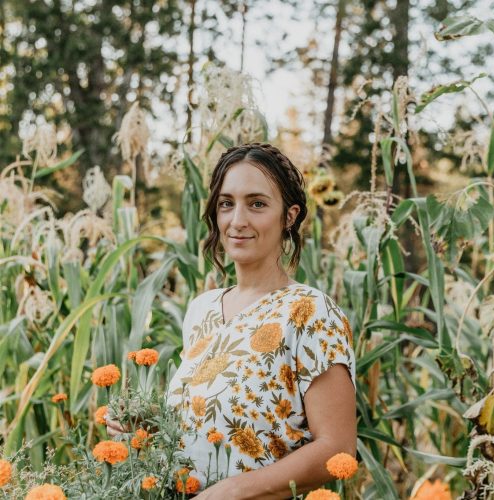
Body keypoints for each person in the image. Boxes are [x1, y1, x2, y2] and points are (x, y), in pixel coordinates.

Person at [109, 143, 356, 498]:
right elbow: (212, 423)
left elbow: (338, 446)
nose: (237, 220)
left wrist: (235, 490)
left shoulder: (309, 311)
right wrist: (144, 430)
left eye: (257, 204)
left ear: (289, 215)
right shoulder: (202, 310)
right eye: (227, 204)